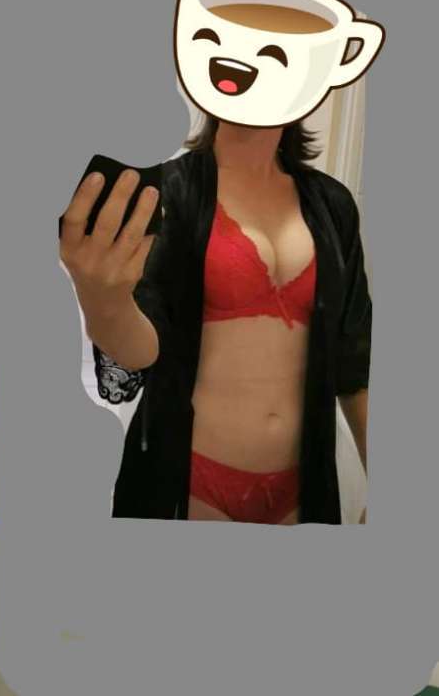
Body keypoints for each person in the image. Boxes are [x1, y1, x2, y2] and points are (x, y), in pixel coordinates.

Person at [59, 114, 371, 526]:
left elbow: (354, 360)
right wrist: (104, 301)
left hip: (303, 487)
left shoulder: (332, 204)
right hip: (189, 485)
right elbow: (141, 350)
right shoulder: (170, 191)